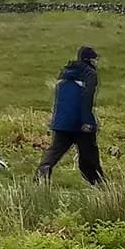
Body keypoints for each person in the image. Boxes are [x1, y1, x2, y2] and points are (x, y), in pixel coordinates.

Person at [37, 45, 104, 185]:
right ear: (90, 60)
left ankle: (42, 174)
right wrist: (88, 121)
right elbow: (87, 98)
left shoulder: (65, 73)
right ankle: (100, 186)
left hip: (61, 121)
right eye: (95, 59)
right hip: (80, 122)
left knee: (55, 151)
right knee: (89, 156)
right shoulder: (90, 74)